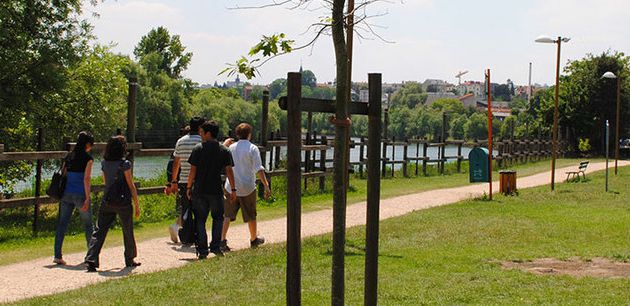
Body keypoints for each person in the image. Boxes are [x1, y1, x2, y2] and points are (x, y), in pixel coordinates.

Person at [85, 136, 141, 272]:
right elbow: (131, 185)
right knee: (127, 230)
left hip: (108, 200)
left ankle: (91, 258)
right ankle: (129, 259)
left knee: (99, 231)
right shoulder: (125, 164)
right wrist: (137, 203)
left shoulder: (104, 163)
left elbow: (105, 182)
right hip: (123, 201)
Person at [187, 121, 236, 258]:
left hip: (200, 190)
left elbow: (193, 171)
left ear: (208, 133)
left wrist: (189, 187)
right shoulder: (224, 150)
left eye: (202, 132)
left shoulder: (198, 149)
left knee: (200, 220)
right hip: (216, 190)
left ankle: (203, 250)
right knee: (218, 219)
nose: (200, 135)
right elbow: (229, 171)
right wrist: (233, 189)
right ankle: (215, 247)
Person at [221, 123, 271, 251]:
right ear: (250, 134)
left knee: (227, 215)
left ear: (237, 134)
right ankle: (253, 239)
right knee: (251, 215)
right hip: (248, 187)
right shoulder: (253, 148)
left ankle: (222, 240)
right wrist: (266, 185)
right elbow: (259, 169)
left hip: (231, 186)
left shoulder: (230, 148)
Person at [53, 131, 95, 265]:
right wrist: (88, 198)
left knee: (62, 224)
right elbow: (87, 179)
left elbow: (64, 174)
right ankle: (90, 256)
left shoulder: (69, 156)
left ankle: (57, 255)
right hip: (80, 194)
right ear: (87, 144)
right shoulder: (88, 158)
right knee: (88, 226)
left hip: (66, 194)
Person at [167, 118, 205, 244]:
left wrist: (173, 181)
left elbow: (176, 162)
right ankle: (199, 235)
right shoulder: (202, 141)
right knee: (200, 210)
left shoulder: (181, 141)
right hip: (199, 180)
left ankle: (186, 237)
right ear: (200, 128)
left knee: (186, 208)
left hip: (183, 180)